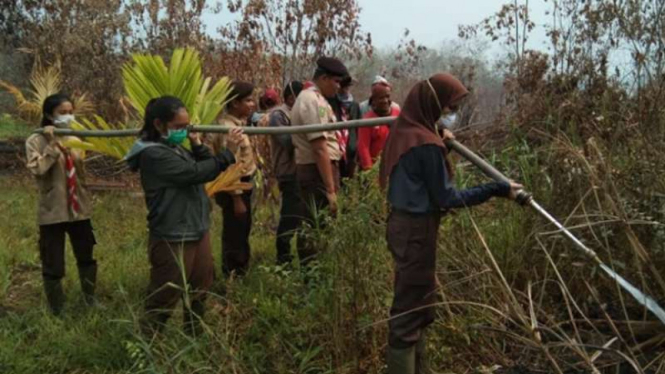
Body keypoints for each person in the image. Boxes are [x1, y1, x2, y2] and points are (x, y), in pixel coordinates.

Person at [378, 74, 523, 374]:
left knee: (419, 305)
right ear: (433, 104)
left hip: (402, 226)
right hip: (417, 232)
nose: (450, 113)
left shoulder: (405, 129)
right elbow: (448, 198)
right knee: (409, 312)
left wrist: (439, 132)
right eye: (447, 108)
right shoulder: (426, 146)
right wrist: (498, 188)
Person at [125, 96, 243, 335]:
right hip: (172, 234)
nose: (183, 131)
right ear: (159, 125)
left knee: (201, 287)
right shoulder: (153, 155)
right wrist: (228, 153)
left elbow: (205, 165)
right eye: (178, 127)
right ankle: (146, 346)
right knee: (166, 292)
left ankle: (194, 338)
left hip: (196, 228)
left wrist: (197, 144)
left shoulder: (173, 147)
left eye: (186, 126)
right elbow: (195, 173)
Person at [26, 93, 97, 316]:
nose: (68, 116)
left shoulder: (76, 137)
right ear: (49, 114)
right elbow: (37, 169)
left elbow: (81, 169)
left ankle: (90, 299)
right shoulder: (35, 140)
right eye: (62, 113)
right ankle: (58, 309)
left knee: (86, 254)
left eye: (70, 112)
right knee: (53, 260)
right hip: (53, 210)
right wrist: (53, 146)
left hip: (79, 209)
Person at [290, 56, 348, 267]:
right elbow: (320, 147)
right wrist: (330, 189)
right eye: (336, 81)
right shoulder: (310, 100)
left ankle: (322, 268)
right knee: (315, 222)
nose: (338, 86)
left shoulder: (319, 99)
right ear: (323, 78)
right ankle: (312, 273)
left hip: (323, 170)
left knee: (324, 224)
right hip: (317, 171)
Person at [205, 81, 257, 277]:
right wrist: (236, 198)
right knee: (235, 233)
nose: (252, 104)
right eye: (248, 100)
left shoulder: (238, 125)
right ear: (235, 103)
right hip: (236, 188)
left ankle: (239, 271)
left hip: (243, 186)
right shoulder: (229, 130)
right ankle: (234, 275)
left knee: (241, 231)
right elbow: (231, 165)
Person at [269, 81, 304, 265]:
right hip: (289, 173)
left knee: (300, 217)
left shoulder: (295, 113)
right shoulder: (278, 115)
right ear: (291, 98)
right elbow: (288, 142)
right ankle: (283, 259)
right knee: (290, 217)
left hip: (299, 171)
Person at [357, 81, 400, 171]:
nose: (385, 101)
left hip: (396, 166)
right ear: (374, 100)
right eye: (381, 98)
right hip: (377, 169)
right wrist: (369, 172)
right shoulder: (367, 120)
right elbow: (363, 147)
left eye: (387, 96)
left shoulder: (398, 114)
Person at [327, 75, 361, 179]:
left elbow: (358, 129)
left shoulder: (355, 106)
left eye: (347, 87)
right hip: (336, 153)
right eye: (343, 87)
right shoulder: (331, 104)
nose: (345, 90)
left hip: (351, 152)